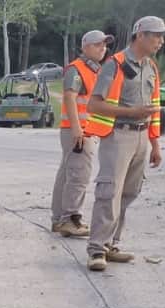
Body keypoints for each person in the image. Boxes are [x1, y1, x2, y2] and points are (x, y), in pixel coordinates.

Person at [83, 16, 165, 271]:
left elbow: (153, 108)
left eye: (162, 36)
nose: (161, 41)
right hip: (118, 135)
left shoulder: (151, 67)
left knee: (129, 192)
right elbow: (94, 104)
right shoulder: (115, 64)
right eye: (156, 35)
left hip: (142, 138)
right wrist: (131, 113)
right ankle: (96, 249)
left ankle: (111, 244)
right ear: (140, 35)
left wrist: (155, 144)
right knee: (109, 192)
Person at [50, 30, 114, 238]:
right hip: (78, 131)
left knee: (67, 173)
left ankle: (59, 219)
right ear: (85, 47)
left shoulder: (94, 70)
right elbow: (69, 97)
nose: (102, 48)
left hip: (80, 130)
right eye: (97, 45)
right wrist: (78, 128)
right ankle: (70, 218)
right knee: (79, 175)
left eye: (104, 45)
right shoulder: (77, 69)